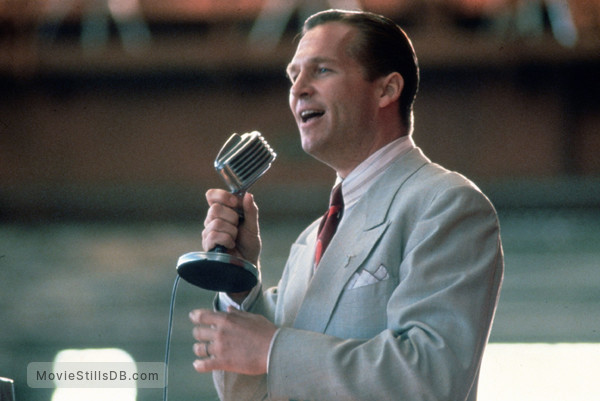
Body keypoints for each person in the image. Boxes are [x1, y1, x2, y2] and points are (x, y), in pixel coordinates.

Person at [189, 9, 504, 401]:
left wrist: (272, 349)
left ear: (387, 90)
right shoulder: (310, 241)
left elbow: (431, 378)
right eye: (293, 75)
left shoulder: (447, 205)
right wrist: (239, 283)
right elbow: (250, 393)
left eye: (321, 70)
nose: (299, 89)